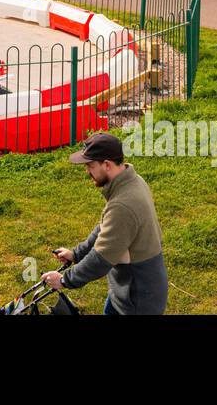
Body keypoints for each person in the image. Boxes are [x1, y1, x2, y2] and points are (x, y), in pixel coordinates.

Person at [43, 132, 168, 316]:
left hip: (136, 300)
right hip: (126, 290)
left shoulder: (123, 205)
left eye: (90, 166)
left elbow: (100, 259)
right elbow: (106, 227)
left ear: (107, 165)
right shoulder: (130, 182)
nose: (87, 172)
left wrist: (64, 281)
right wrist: (76, 253)